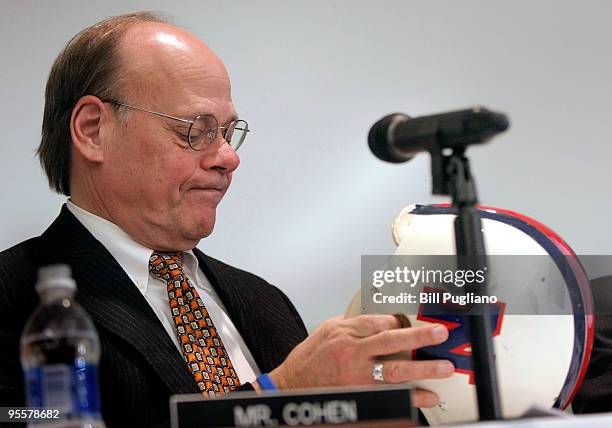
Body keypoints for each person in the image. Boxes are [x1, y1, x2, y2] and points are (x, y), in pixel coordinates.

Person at [0, 12, 455, 427]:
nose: (227, 158)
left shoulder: (263, 301)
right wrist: (279, 395)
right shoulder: (11, 293)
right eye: (195, 129)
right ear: (93, 130)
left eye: (228, 132)